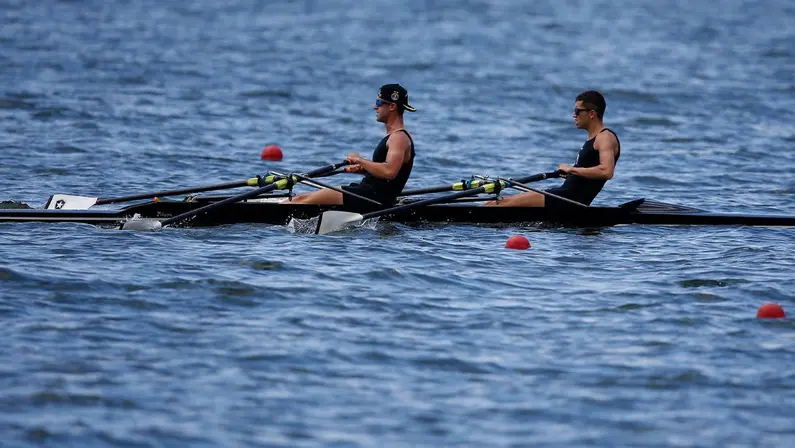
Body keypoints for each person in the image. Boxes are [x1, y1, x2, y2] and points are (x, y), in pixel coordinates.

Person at [286, 84, 416, 211]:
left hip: (371, 198)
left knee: (301, 200)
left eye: (379, 102)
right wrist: (365, 168)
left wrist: (360, 160)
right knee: (302, 198)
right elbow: (387, 172)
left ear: (392, 106)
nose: (375, 106)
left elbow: (390, 172)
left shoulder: (399, 138)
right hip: (367, 193)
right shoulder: (395, 136)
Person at [484, 90, 620, 207]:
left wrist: (572, 169)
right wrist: (572, 173)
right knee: (500, 200)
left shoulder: (605, 137)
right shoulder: (594, 138)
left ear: (591, 114)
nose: (574, 115)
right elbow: (588, 172)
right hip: (564, 194)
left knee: (503, 204)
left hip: (571, 200)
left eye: (577, 111)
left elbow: (607, 171)